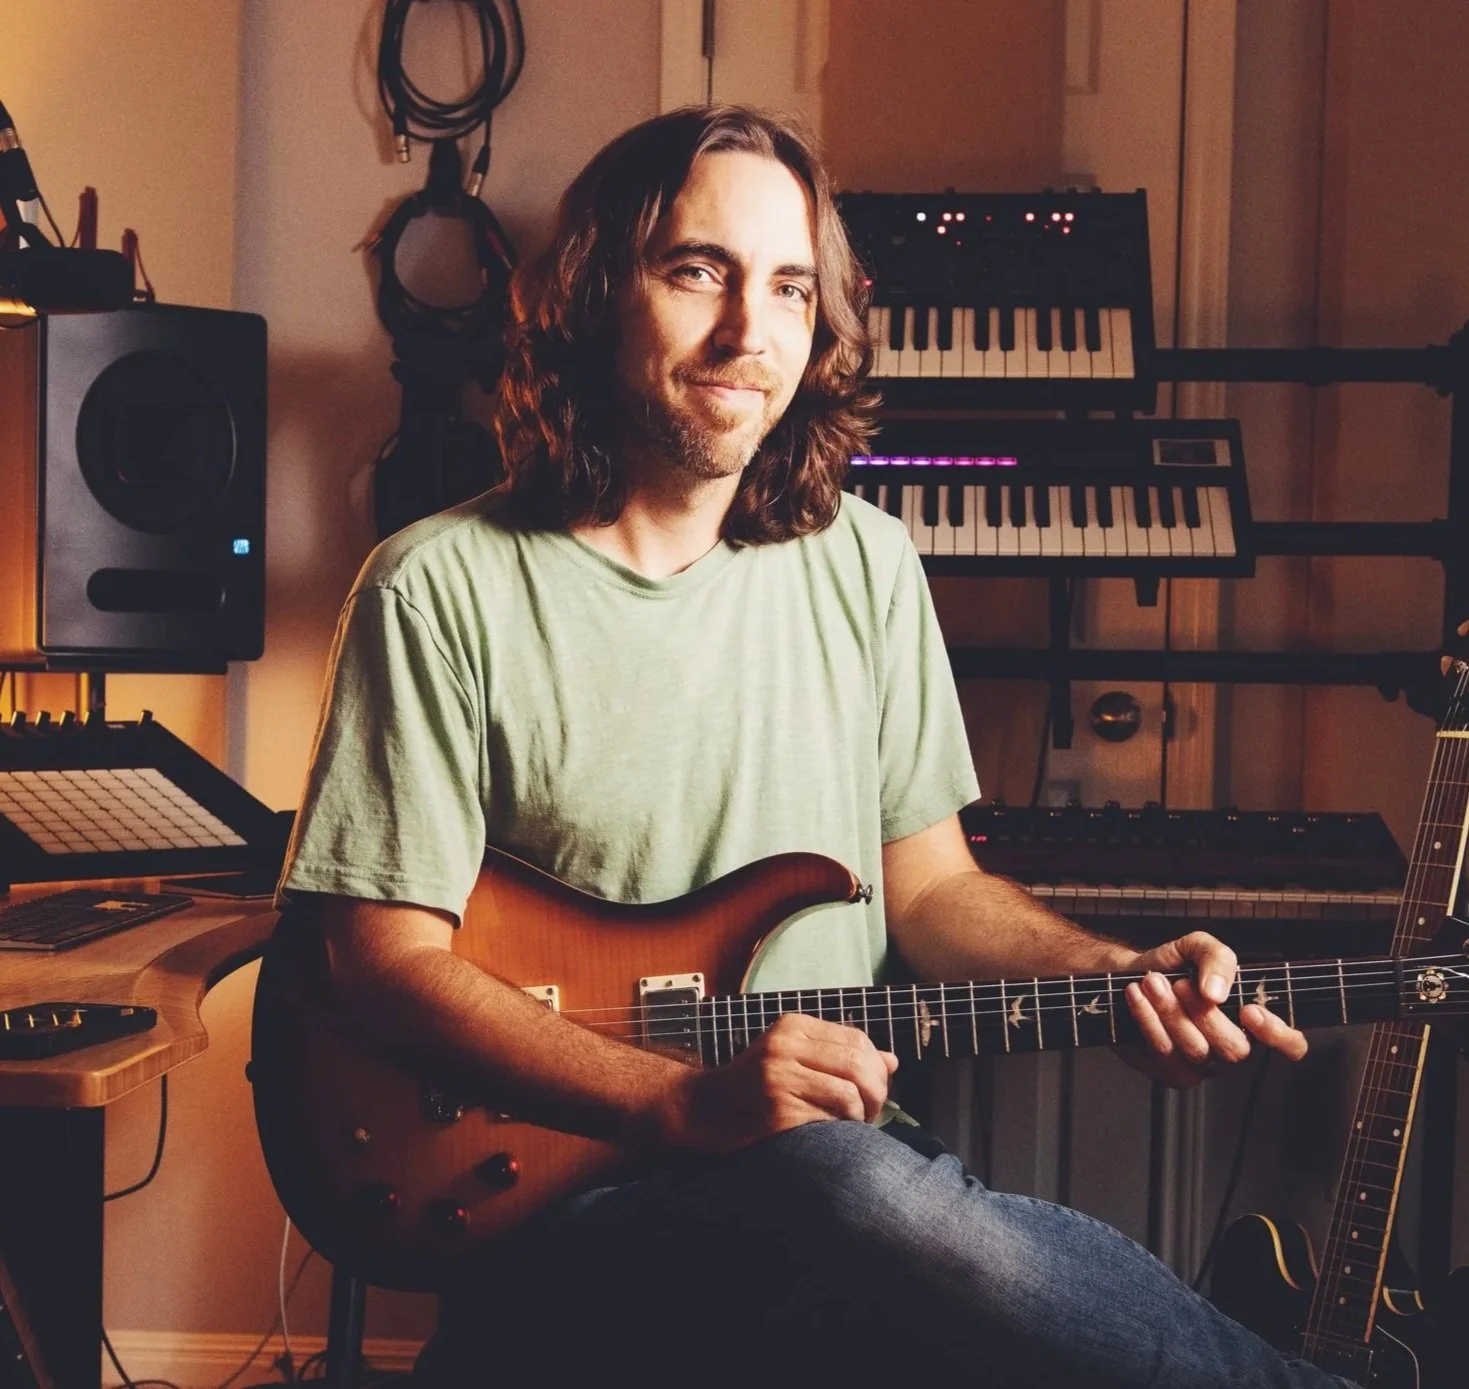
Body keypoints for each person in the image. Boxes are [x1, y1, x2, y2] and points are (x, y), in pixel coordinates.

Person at [278, 105, 1354, 1387]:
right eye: (698, 271)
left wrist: (1110, 971)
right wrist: (681, 1100)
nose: (750, 333)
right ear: (590, 294)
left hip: (841, 1184)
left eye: (789, 288)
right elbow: (383, 961)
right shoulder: (436, 588)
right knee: (851, 1187)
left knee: (857, 1192)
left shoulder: (867, 563)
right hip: (580, 1190)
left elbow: (931, 890)